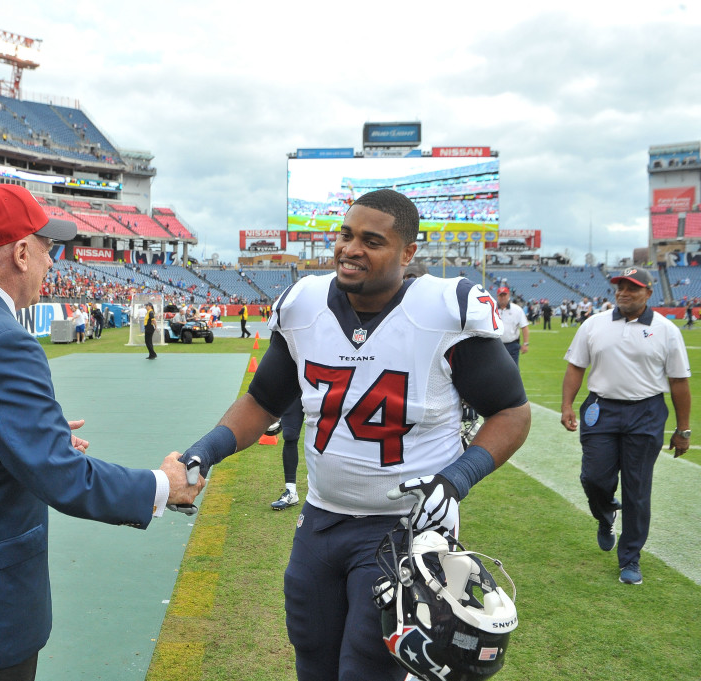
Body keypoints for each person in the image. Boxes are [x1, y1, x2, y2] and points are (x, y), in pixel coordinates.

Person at [175, 189, 531, 680]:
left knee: (368, 663)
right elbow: (262, 401)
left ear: (408, 253)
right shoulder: (304, 304)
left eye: (372, 240)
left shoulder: (445, 311)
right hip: (321, 520)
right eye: (345, 235)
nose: (351, 249)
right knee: (312, 652)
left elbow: (511, 412)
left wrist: (457, 479)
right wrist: (207, 449)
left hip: (406, 527)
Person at [0, 183, 204, 680]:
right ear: (22, 253)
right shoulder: (5, 340)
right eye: (50, 249)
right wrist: (164, 486)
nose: (55, 262)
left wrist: (32, 433)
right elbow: (62, 478)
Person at [560, 267, 691, 586]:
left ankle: (630, 557)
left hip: (646, 412)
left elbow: (679, 382)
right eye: (620, 286)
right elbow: (576, 367)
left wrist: (682, 429)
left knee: (637, 488)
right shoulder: (594, 324)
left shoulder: (666, 330)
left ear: (648, 293)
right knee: (594, 477)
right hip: (601, 409)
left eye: (632, 288)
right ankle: (606, 516)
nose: (623, 292)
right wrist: (566, 405)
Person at [270, 396, 303, 510]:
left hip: (322, 387)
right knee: (290, 435)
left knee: (324, 435)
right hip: (296, 389)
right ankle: (291, 491)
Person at [497, 286, 530, 366]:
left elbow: (524, 327)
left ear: (508, 296)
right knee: (496, 371)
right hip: (496, 345)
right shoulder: (491, 309)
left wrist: (526, 344)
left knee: (513, 370)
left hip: (512, 344)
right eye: (501, 295)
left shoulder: (517, 309)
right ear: (497, 297)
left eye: (505, 295)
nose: (503, 297)